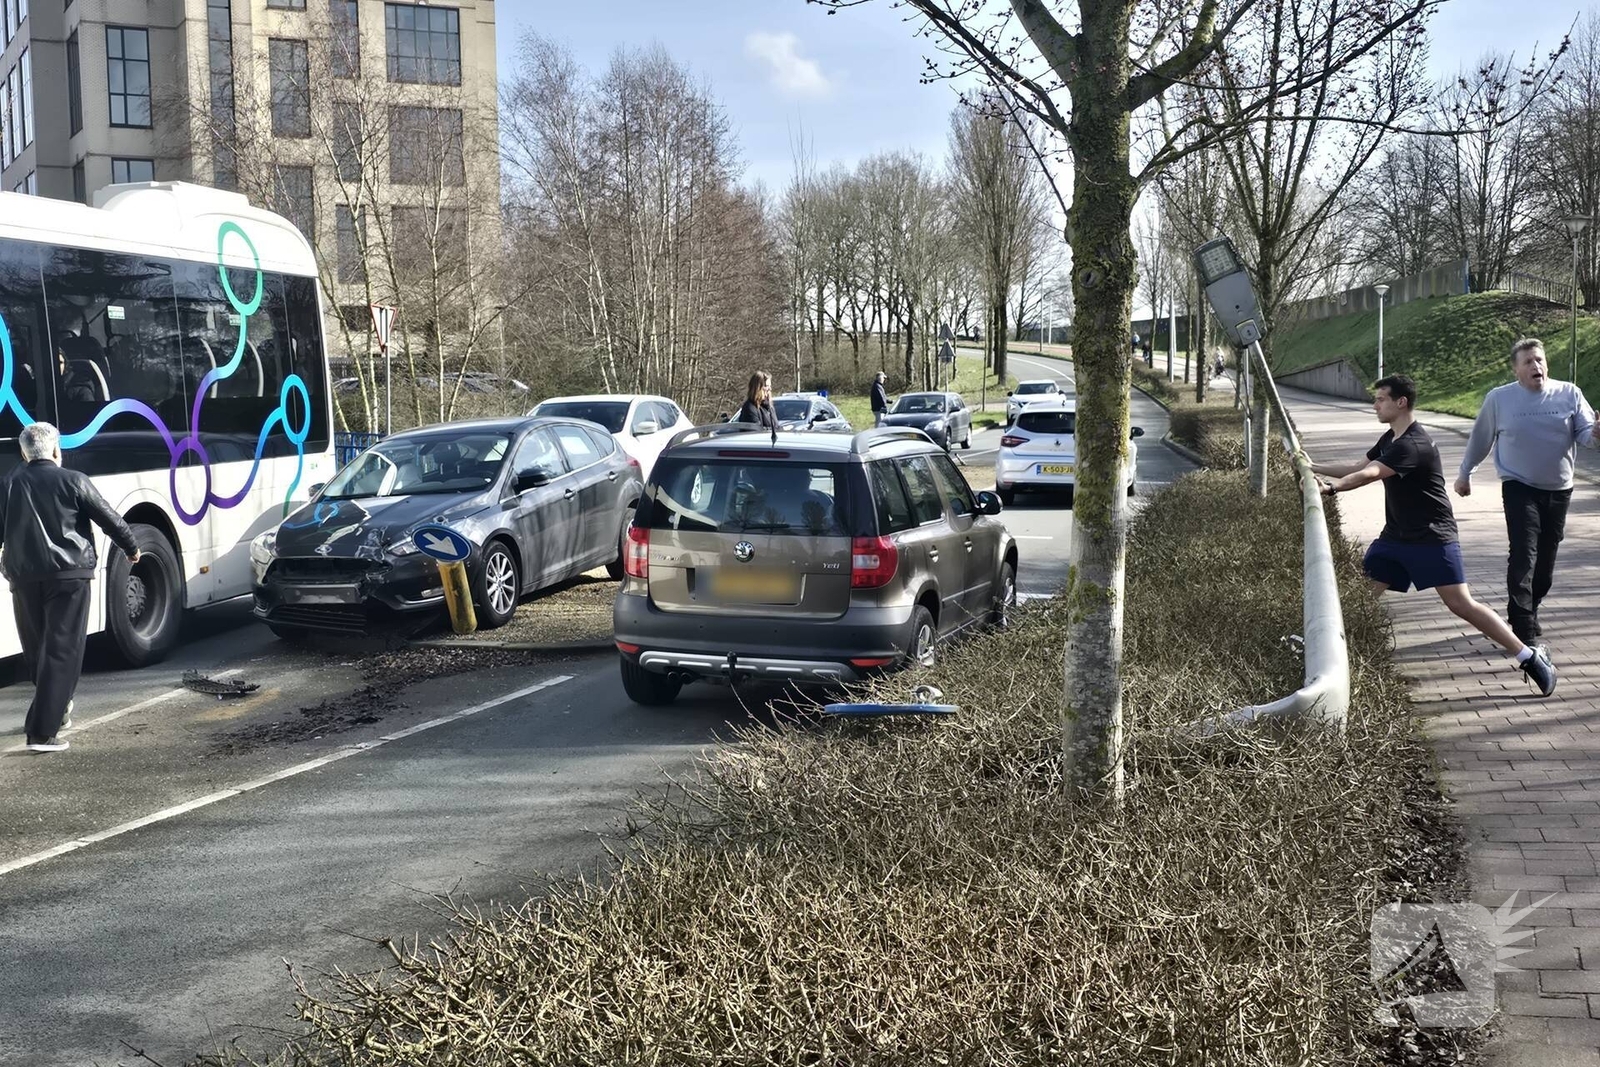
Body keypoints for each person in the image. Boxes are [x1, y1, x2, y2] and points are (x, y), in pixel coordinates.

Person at [1311, 374, 1557, 697]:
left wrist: (1330, 489)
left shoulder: (1413, 445)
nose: (1375, 404)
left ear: (1401, 403)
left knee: (1462, 605)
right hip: (1395, 540)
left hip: (1432, 539)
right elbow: (1358, 465)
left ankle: (1529, 656)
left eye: (1381, 399)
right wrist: (1313, 465)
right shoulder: (1390, 439)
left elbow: (1369, 475)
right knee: (1357, 597)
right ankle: (1320, 656)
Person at [0, 422, 142, 752]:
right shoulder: (73, 480)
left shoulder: (8, 483)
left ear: (24, 452)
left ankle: (53, 710)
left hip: (23, 577)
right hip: (69, 575)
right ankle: (42, 733)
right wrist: (132, 547)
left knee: (38, 650)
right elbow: (109, 518)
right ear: (55, 450)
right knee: (62, 650)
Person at [1454, 338, 1599, 651]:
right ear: (1516, 369)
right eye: (1529, 362)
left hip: (1559, 489)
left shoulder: (1569, 393)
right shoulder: (1500, 399)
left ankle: (1530, 608)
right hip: (1519, 486)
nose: (1537, 366)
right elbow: (1481, 439)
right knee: (1524, 552)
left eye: (1540, 360)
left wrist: (1596, 432)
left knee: (1545, 565)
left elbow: (1585, 433)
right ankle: (1522, 627)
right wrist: (1465, 474)